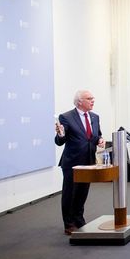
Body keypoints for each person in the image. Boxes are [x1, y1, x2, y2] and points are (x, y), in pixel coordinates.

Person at [54, 90, 105, 234]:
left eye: (93, 98)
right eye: (89, 98)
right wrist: (60, 134)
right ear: (79, 102)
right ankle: (69, 224)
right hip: (72, 162)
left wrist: (100, 140)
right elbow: (60, 141)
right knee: (70, 193)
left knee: (82, 193)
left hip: (89, 161)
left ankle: (78, 219)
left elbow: (96, 135)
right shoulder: (66, 117)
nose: (93, 100)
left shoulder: (95, 117)